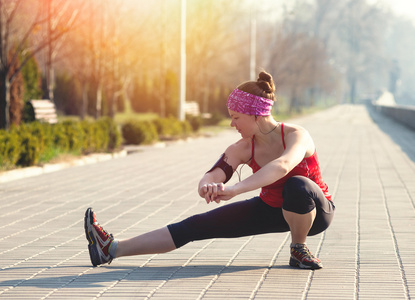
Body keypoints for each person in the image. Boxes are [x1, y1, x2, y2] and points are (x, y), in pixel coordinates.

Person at [84, 71, 335, 270]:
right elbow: (214, 173)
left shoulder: (296, 135)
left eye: (236, 117)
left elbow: (282, 166)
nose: (231, 123)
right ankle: (110, 249)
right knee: (193, 226)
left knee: (297, 185)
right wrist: (208, 185)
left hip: (314, 212)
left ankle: (298, 249)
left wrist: (235, 189)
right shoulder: (243, 147)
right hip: (272, 209)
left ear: (256, 115)